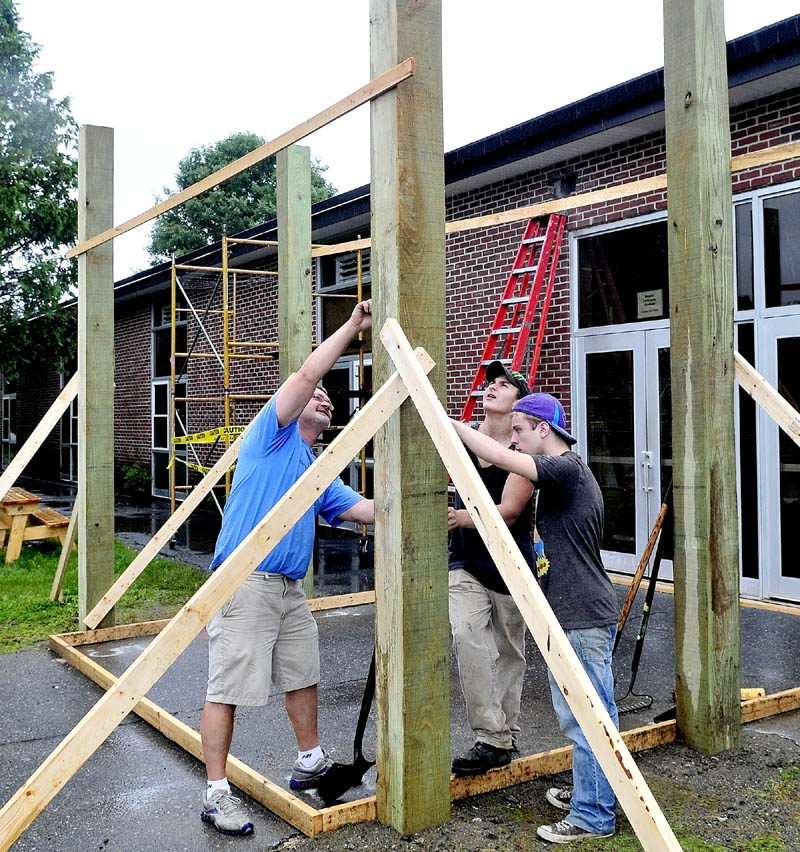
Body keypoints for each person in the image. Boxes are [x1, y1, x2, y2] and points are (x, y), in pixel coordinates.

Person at [200, 300, 375, 837]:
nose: (322, 398)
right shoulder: (269, 436)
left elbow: (365, 511)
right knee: (229, 685)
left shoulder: (321, 471)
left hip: (289, 589)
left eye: (327, 399)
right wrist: (352, 328)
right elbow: (306, 373)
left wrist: (434, 510)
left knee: (303, 673)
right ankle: (215, 793)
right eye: (315, 396)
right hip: (245, 582)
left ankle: (309, 762)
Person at [450, 392, 620, 845]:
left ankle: (593, 816)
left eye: (521, 431)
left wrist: (449, 423)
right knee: (591, 714)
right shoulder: (566, 476)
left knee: (586, 718)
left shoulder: (565, 468)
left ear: (544, 429)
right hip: (578, 613)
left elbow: (496, 454)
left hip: (582, 615)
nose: (516, 440)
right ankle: (597, 792)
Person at [448, 361, 535, 775]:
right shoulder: (465, 437)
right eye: (489, 383)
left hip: (509, 564)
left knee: (508, 654)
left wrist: (462, 516)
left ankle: (505, 735)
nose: (492, 388)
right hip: (465, 560)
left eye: (503, 385)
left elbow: (510, 512)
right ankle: (489, 735)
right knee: (468, 636)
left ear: (518, 404)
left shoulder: (524, 452)